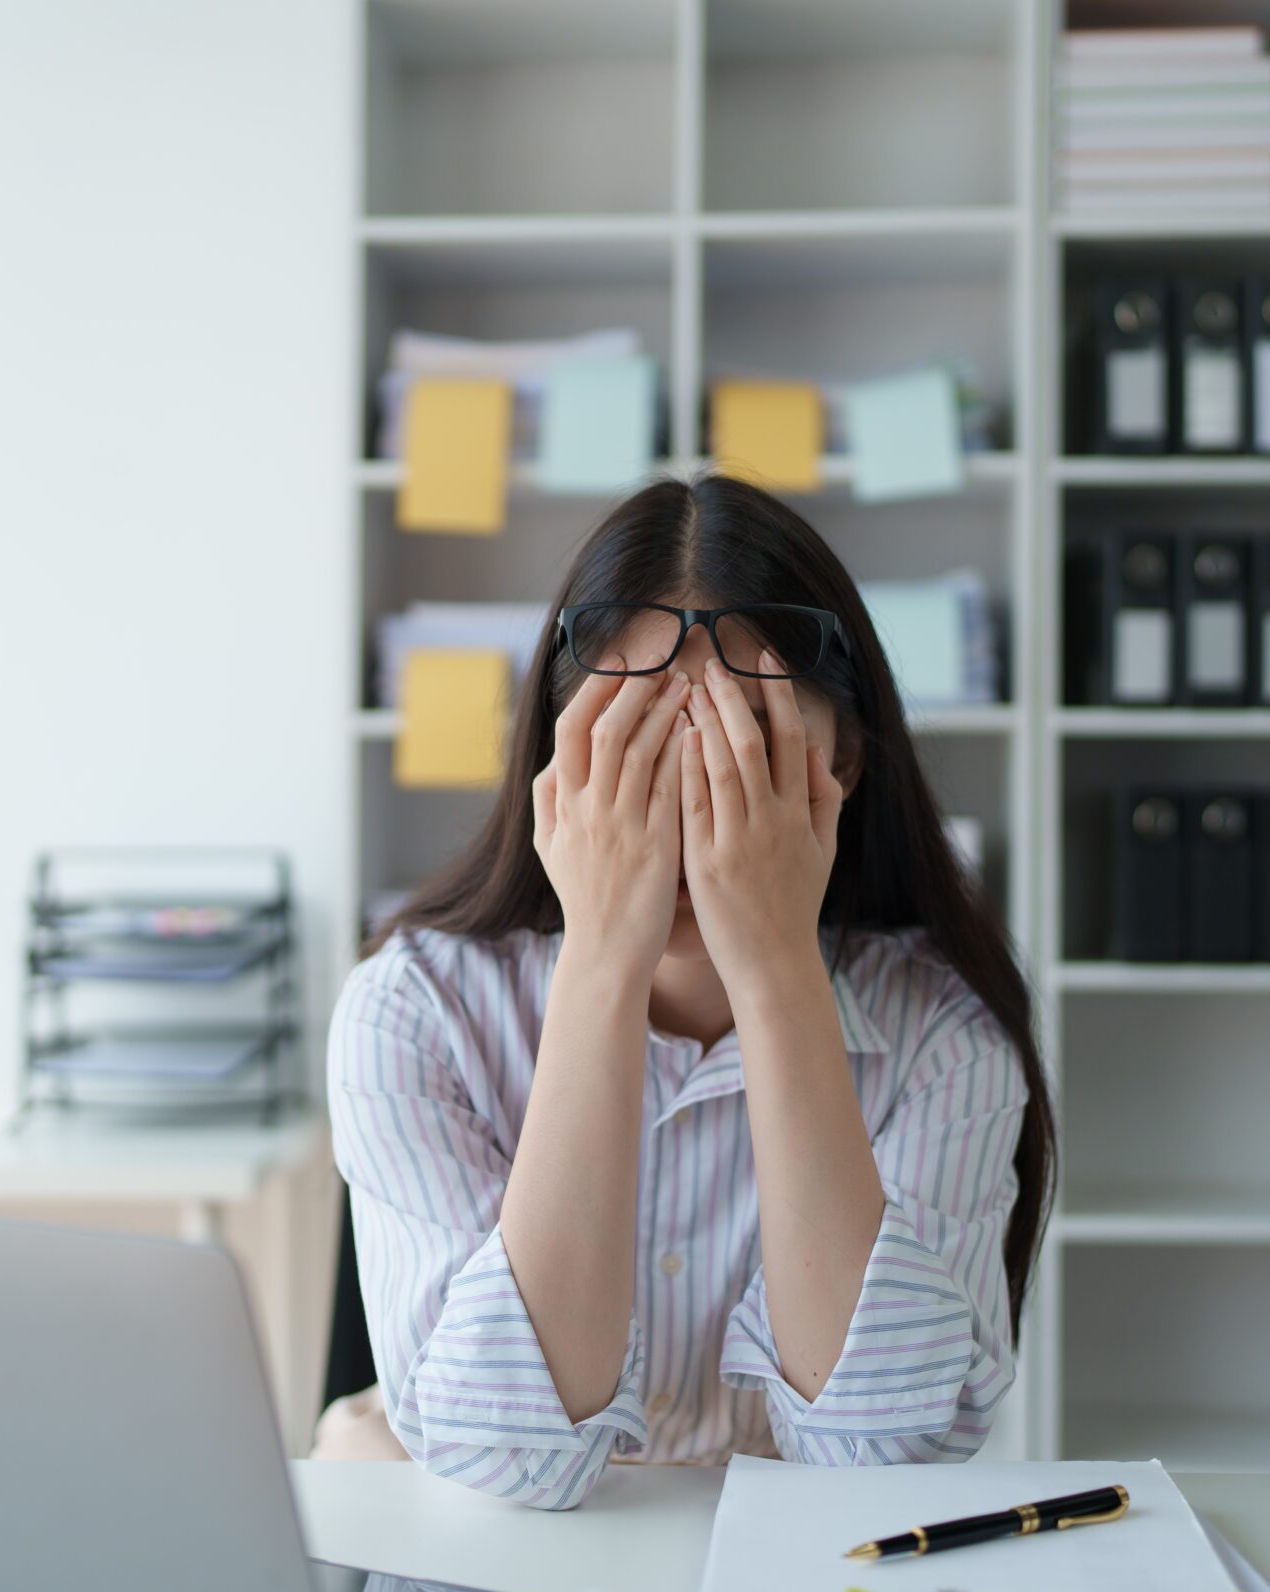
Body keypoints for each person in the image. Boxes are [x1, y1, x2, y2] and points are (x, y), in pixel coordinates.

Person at [323, 474, 1056, 1510]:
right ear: (551, 767)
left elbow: (884, 1460)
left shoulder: (944, 1029)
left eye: (739, 756)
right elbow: (512, 1462)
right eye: (627, 759)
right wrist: (601, 965)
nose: (678, 814)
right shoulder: (411, 1011)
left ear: (841, 764)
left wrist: (774, 972)